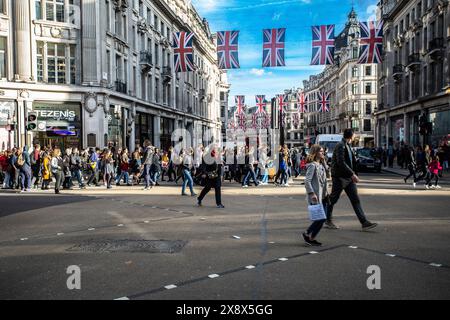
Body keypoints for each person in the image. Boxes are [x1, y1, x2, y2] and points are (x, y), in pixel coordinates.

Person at [326, 129, 378, 231]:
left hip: (348, 178)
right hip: (340, 177)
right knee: (333, 199)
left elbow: (350, 162)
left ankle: (364, 222)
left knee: (355, 200)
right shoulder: (340, 145)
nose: (354, 136)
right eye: (354, 135)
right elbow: (341, 162)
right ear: (351, 136)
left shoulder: (348, 145)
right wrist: (352, 174)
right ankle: (328, 220)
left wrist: (352, 174)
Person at [302, 145, 328, 246]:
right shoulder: (312, 165)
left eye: (323, 151)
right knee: (321, 218)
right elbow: (307, 181)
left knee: (323, 218)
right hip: (316, 195)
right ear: (315, 153)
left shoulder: (321, 164)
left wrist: (324, 162)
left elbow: (328, 175)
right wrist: (312, 193)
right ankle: (307, 233)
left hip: (324, 194)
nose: (323, 153)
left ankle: (311, 238)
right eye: (321, 151)